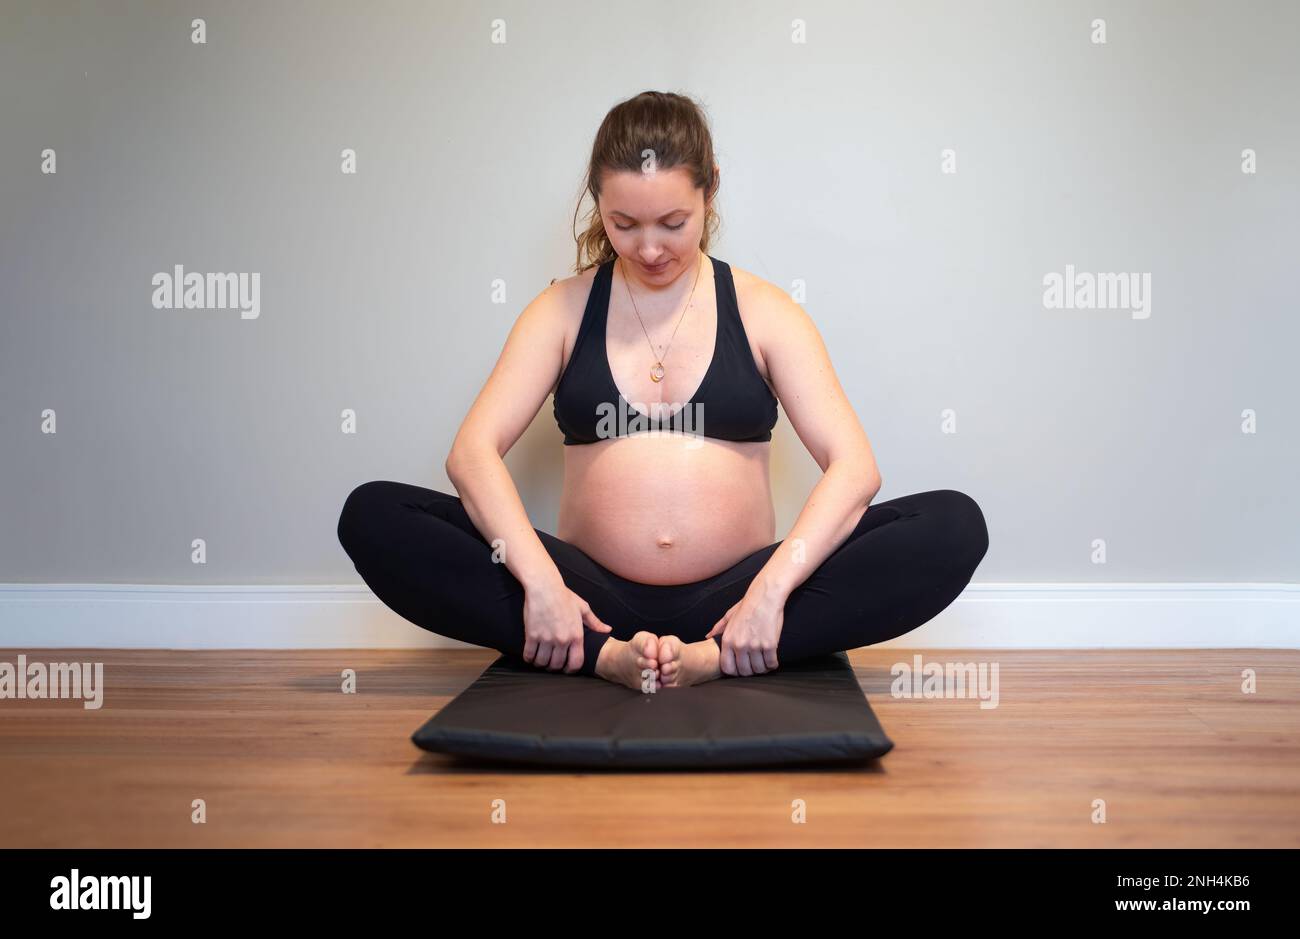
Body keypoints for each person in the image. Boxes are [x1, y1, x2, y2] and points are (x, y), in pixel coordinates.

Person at [337, 90, 989, 691]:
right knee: (373, 513)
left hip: (734, 598)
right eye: (624, 224)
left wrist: (768, 594)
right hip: (588, 598)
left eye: (673, 222)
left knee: (954, 525)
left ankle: (726, 650)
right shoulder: (560, 311)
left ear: (710, 192)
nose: (649, 249)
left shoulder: (766, 312)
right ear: (597, 203)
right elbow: (471, 454)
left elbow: (855, 469)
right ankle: (598, 653)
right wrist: (541, 583)